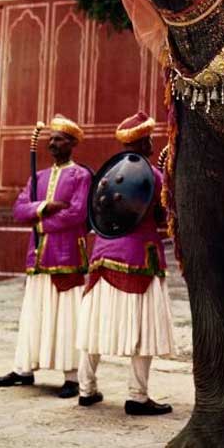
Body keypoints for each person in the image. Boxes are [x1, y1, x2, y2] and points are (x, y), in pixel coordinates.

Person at [76, 111, 175, 415]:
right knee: (143, 329)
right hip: (138, 258)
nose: (152, 144)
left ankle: (86, 389)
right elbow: (162, 214)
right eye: (149, 140)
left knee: (93, 327)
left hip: (102, 257)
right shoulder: (154, 176)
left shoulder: (107, 176)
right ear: (144, 142)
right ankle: (137, 396)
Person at [0, 115, 91, 399]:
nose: (52, 143)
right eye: (50, 138)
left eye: (59, 139)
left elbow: (77, 213)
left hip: (66, 254)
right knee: (33, 312)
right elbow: (19, 209)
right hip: (37, 255)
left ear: (72, 143)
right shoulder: (38, 177)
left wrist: (41, 222)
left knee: (66, 315)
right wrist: (45, 206)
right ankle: (23, 369)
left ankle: (72, 375)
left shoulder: (81, 175)